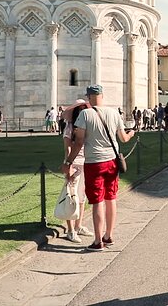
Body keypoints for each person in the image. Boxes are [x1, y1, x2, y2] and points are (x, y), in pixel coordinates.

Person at [61, 85, 134, 251]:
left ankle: (97, 240)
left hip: (94, 162)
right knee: (111, 198)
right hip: (112, 161)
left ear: (88, 97)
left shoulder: (85, 114)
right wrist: (131, 134)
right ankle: (108, 236)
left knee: (97, 201)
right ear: (102, 95)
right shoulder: (114, 113)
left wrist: (68, 162)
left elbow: (78, 142)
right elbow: (123, 138)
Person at [61, 99, 94, 243]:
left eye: (84, 109)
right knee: (71, 197)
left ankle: (79, 225)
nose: (83, 111)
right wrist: (69, 165)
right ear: (76, 112)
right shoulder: (69, 127)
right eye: (80, 110)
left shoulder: (86, 127)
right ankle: (70, 230)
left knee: (82, 198)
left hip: (86, 163)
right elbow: (68, 148)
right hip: (74, 164)